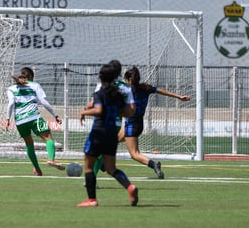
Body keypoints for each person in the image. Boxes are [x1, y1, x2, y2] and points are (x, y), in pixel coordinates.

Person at [78, 64, 138, 207]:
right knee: (112, 169)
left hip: (98, 132)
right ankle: (129, 187)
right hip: (112, 133)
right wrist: (116, 112)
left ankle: (91, 199)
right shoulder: (118, 95)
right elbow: (130, 112)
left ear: (101, 77)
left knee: (88, 166)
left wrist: (83, 112)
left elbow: (98, 110)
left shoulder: (100, 93)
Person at [119, 66, 191, 179]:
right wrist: (178, 96)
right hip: (138, 124)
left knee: (134, 154)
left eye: (125, 79)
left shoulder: (128, 92)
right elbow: (160, 91)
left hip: (131, 125)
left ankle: (154, 165)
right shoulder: (145, 88)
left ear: (129, 79)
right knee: (111, 141)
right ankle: (104, 164)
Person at [5, 67, 64, 176]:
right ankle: (51, 159)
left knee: (29, 144)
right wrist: (55, 115)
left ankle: (37, 169)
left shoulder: (11, 88)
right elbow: (43, 102)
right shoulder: (35, 85)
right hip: (33, 117)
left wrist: (8, 119)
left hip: (20, 120)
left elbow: (11, 103)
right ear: (31, 77)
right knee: (48, 138)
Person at [84, 60, 135, 184]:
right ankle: (127, 185)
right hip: (115, 125)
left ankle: (91, 180)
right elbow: (132, 109)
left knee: (94, 154)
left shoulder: (101, 86)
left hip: (99, 124)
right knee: (106, 156)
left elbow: (93, 103)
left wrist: (85, 110)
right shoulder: (126, 87)